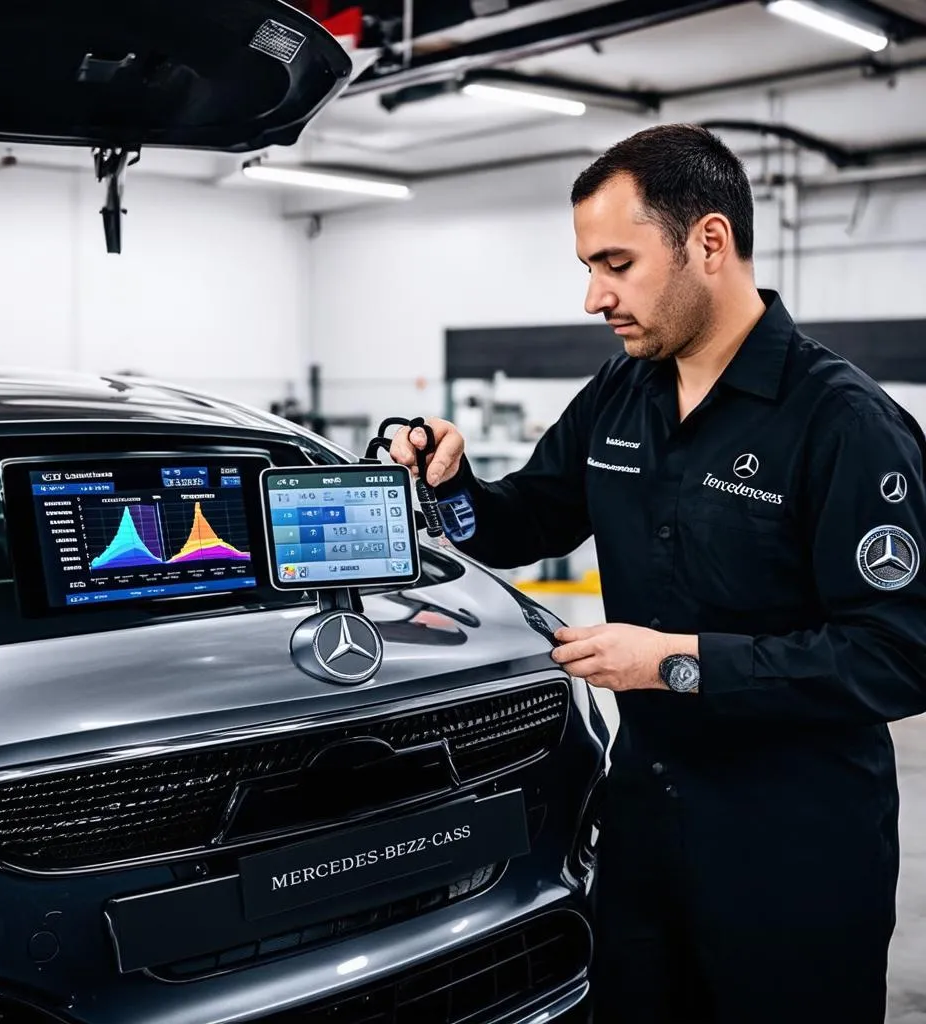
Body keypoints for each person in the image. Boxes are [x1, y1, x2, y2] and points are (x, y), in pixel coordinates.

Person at [389, 123, 926, 1024]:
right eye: (587, 266)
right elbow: (525, 518)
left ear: (707, 242)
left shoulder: (845, 425)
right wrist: (451, 486)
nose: (594, 296)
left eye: (615, 263)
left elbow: (899, 654)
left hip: (794, 851)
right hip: (643, 827)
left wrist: (677, 661)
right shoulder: (620, 393)